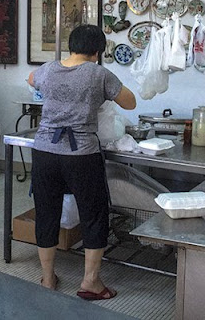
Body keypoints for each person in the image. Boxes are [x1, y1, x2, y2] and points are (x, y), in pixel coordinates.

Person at [28, 24, 136, 299]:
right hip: (81, 154)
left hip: (44, 151)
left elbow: (31, 79)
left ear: (71, 46)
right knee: (94, 214)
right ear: (97, 52)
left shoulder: (49, 69)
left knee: (47, 211)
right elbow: (130, 102)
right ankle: (90, 282)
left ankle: (48, 277)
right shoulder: (98, 73)